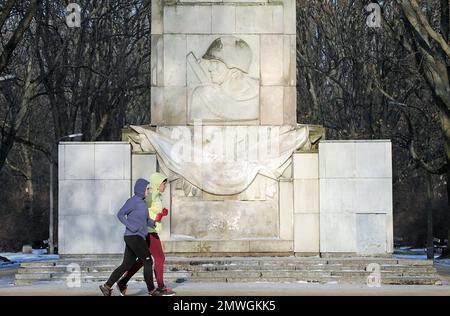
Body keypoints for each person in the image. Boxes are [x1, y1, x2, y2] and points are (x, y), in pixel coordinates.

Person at [116, 172, 175, 296]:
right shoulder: (150, 195)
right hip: (147, 231)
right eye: (164, 184)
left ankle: (122, 282)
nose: (165, 187)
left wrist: (160, 215)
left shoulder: (157, 196)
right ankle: (160, 287)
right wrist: (151, 219)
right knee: (159, 258)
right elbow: (142, 210)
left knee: (143, 260)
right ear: (158, 184)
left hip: (150, 229)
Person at [99, 178, 160, 296]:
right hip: (133, 236)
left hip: (137, 236)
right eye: (147, 188)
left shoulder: (142, 203)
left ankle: (106, 286)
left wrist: (152, 222)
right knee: (148, 261)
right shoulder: (133, 201)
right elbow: (120, 214)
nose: (149, 190)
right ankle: (152, 290)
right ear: (141, 189)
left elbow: (145, 220)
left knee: (126, 265)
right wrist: (130, 226)